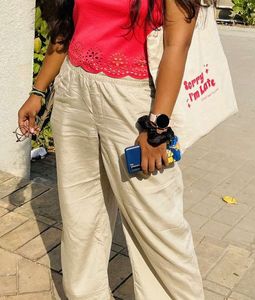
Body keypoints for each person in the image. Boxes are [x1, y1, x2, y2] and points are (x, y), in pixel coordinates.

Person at [18, 0, 205, 299]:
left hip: (134, 103)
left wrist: (156, 128)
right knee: (80, 212)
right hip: (74, 92)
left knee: (156, 221)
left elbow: (176, 47)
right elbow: (66, 27)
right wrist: (38, 91)